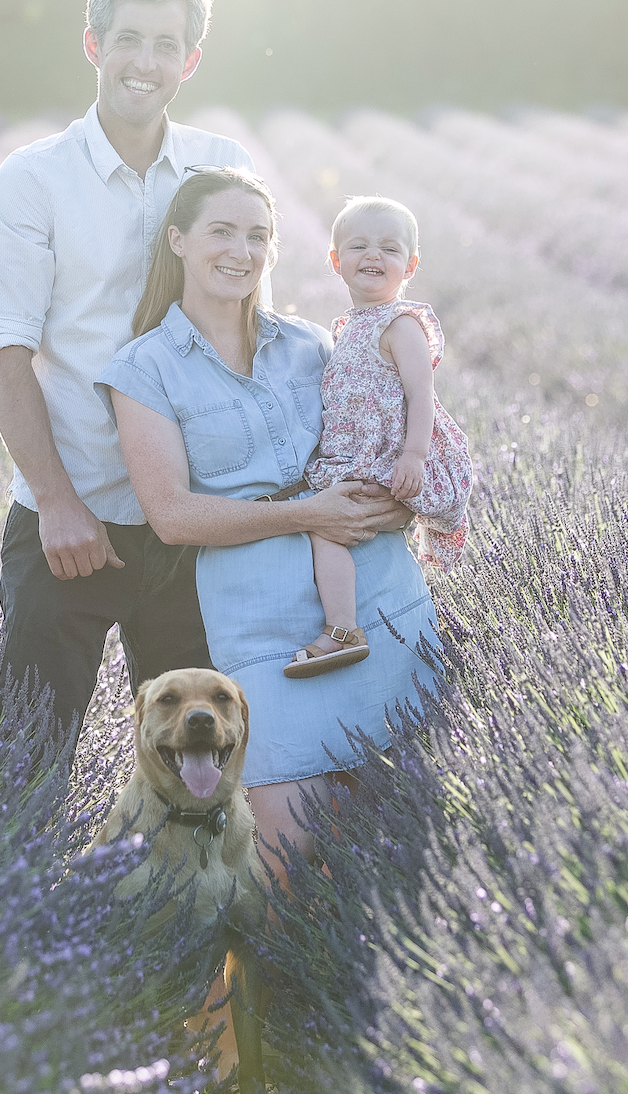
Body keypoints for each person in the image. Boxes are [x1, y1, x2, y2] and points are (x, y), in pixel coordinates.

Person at [95, 167, 441, 889]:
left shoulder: (313, 344)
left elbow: (399, 431)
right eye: (222, 231)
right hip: (264, 627)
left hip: (379, 594)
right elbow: (173, 515)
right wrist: (306, 512)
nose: (241, 250)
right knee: (284, 854)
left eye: (258, 235)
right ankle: (265, 993)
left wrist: (408, 499)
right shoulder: (144, 369)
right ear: (179, 240)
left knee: (405, 828)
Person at [0, 0, 287, 742]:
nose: (144, 63)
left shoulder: (225, 166)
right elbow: (4, 350)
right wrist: (56, 502)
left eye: (165, 45)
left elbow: (255, 330)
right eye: (128, 40)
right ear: (93, 46)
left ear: (190, 60)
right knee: (25, 761)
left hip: (196, 526)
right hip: (74, 520)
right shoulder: (33, 179)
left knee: (207, 774)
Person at [286, 196, 472, 678]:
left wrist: (413, 454)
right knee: (325, 525)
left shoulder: (401, 323)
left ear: (409, 265)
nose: (373, 255)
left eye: (389, 248)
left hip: (389, 460)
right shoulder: (347, 327)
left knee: (326, 528)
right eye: (359, 245)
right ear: (335, 261)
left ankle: (344, 629)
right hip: (359, 458)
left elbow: (421, 391)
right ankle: (353, 626)